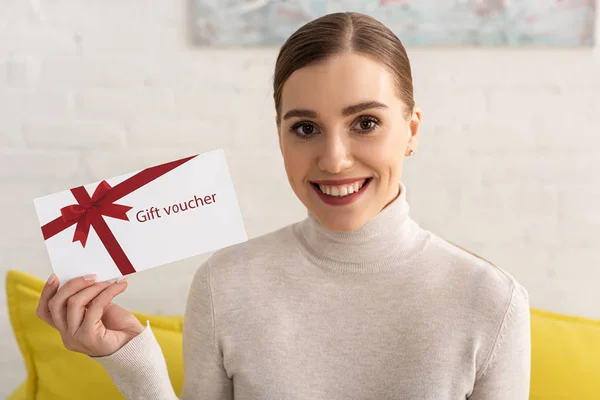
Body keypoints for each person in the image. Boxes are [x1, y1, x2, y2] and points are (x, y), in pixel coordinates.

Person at [36, 12, 531, 399]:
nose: (334, 160)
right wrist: (133, 363)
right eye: (306, 128)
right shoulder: (224, 284)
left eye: (365, 123)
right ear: (279, 137)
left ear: (412, 131)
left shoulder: (492, 302)